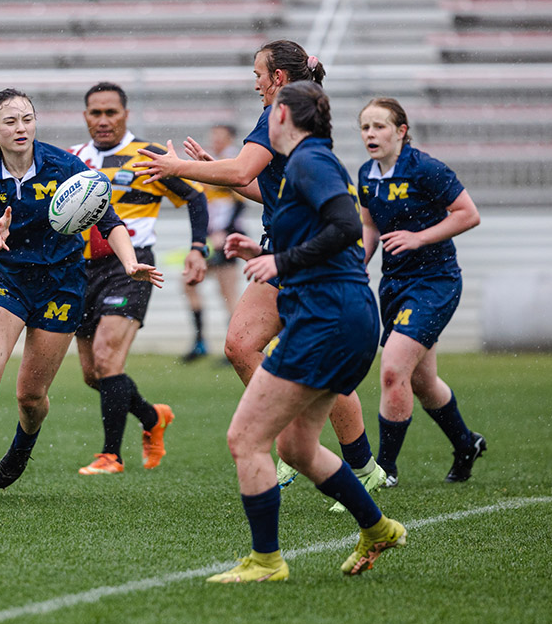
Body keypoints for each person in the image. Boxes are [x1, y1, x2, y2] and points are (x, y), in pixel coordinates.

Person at [135, 40, 387, 505]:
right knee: (240, 345)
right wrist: (214, 169)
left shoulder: (283, 119)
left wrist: (179, 167)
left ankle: (361, 466)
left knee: (324, 373)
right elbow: (259, 186)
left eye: (259, 73)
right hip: (281, 254)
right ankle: (299, 442)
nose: (254, 82)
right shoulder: (282, 119)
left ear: (280, 80)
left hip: (309, 263)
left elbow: (242, 175)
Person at [208, 81, 406, 583]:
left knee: (245, 439)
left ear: (283, 119)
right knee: (296, 448)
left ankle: (266, 561)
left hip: (327, 320)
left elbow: (346, 228)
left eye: (270, 109)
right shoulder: (309, 162)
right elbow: (328, 239)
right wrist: (264, 255)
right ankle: (377, 528)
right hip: (343, 316)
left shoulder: (308, 161)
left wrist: (282, 259)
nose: (264, 115)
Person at [0, 88, 163, 505]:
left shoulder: (65, 166)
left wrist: (129, 263)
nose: (21, 128)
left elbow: (109, 221)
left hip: (62, 284)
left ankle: (24, 443)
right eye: (10, 121)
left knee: (30, 396)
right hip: (8, 280)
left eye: (27, 119)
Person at [66, 82, 209, 476]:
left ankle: (111, 455)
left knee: (108, 358)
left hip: (131, 266)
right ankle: (152, 417)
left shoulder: (150, 156)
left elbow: (196, 198)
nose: (104, 120)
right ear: (85, 117)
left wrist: (198, 248)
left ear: (126, 114)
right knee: (94, 375)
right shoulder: (72, 159)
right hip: (81, 270)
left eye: (112, 112)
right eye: (96, 113)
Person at [358, 98, 485, 486]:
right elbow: (369, 227)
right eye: (364, 128)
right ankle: (466, 444)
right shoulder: (366, 173)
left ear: (401, 131)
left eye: (379, 126)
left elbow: (468, 213)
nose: (370, 134)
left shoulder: (425, 168)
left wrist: (418, 238)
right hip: (394, 284)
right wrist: (353, 265)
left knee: (394, 368)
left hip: (435, 281)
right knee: (421, 381)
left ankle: (384, 470)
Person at [181, 123, 245, 364]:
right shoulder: (211, 161)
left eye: (220, 136)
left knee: (227, 292)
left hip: (227, 237)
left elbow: (240, 202)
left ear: (230, 138)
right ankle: (200, 342)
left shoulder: (233, 162)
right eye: (213, 135)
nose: (215, 139)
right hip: (210, 238)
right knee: (188, 282)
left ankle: (236, 346)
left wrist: (224, 232)